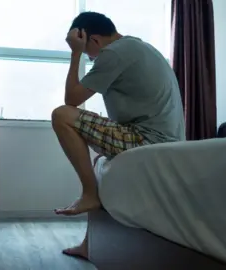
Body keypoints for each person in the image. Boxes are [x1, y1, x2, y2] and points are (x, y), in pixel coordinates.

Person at [51, 11, 186, 259]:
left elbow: (71, 100)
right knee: (100, 162)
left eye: (89, 52)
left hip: (148, 141)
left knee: (62, 116)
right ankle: (89, 244)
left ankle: (89, 194)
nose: (92, 59)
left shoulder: (113, 53)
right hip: (164, 140)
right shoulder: (137, 47)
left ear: (92, 39)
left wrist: (75, 53)